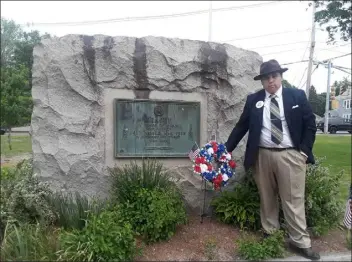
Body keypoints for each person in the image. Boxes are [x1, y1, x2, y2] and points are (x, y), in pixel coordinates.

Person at [225, 59, 320, 260]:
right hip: (262, 156)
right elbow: (241, 127)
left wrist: (303, 152)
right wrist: (226, 150)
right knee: (267, 198)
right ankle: (271, 234)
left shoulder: (297, 96)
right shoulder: (254, 100)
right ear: (261, 81)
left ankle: (300, 242)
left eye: (274, 76)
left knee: (293, 200)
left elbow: (310, 125)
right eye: (266, 78)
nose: (271, 81)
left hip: (290, 155)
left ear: (281, 77)